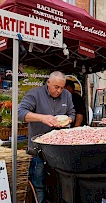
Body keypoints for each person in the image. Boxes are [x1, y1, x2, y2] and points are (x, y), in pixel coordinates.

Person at [18, 71, 75, 203]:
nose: (59, 90)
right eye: (56, 87)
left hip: (61, 150)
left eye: (62, 87)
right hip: (39, 150)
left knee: (60, 183)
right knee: (38, 184)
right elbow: (20, 113)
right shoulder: (35, 94)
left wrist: (68, 120)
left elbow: (72, 113)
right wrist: (42, 118)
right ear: (48, 82)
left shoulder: (66, 95)